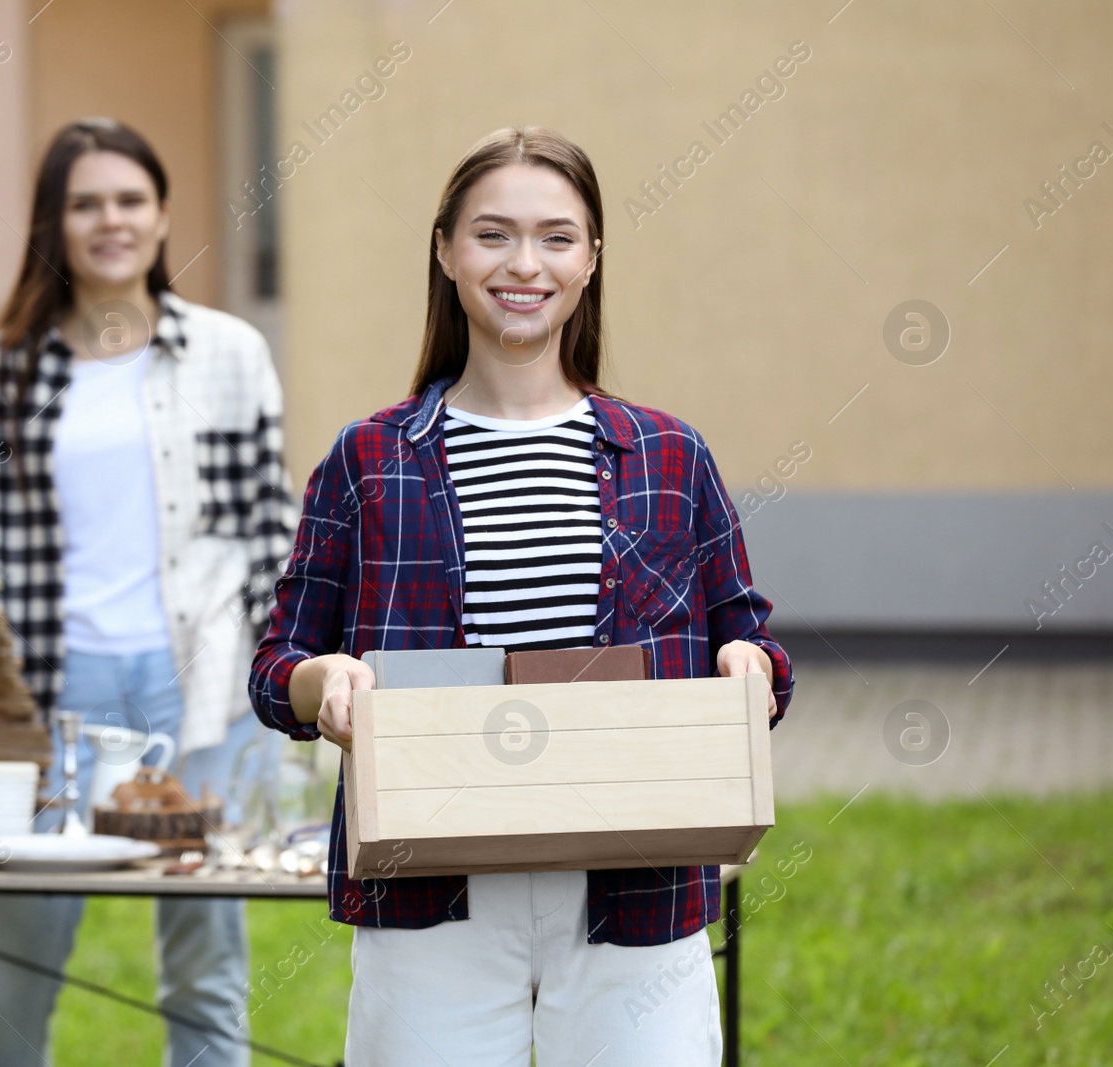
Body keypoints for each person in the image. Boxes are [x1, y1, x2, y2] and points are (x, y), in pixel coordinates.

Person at [248, 125, 794, 1066]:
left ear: (590, 260)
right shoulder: (368, 461)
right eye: (493, 234)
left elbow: (751, 648)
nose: (524, 264)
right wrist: (323, 680)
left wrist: (750, 666)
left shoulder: (671, 456)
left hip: (636, 889)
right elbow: (275, 668)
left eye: (556, 236)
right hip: (430, 888)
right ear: (446, 250)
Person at [0, 117, 295, 1067]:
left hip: (198, 687)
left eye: (130, 200)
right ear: (54, 224)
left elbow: (267, 524)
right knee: (14, 957)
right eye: (85, 203)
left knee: (204, 956)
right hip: (52, 691)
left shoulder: (229, 353)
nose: (110, 220)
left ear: (164, 215)